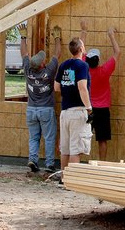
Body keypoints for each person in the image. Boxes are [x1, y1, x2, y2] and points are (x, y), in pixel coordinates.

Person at [19, 22, 61, 174]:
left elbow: (23, 53)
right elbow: (57, 55)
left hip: (31, 110)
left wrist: (23, 37)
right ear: (43, 64)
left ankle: (33, 161)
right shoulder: (48, 72)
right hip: (46, 110)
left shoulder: (28, 69)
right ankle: (49, 165)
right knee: (49, 137)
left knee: (34, 138)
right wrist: (57, 39)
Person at [53, 24, 93, 175]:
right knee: (76, 149)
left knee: (66, 149)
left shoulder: (64, 65)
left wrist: (67, 88)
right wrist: (89, 108)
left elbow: (56, 87)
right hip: (78, 111)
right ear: (81, 49)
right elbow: (82, 87)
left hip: (65, 112)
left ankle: (64, 178)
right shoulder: (82, 65)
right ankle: (72, 181)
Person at [82, 24, 120, 161]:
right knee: (102, 139)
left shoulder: (84, 70)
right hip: (102, 110)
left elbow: (80, 51)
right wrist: (111, 36)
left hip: (88, 109)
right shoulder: (104, 71)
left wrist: (84, 30)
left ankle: (77, 160)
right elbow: (117, 53)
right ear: (98, 60)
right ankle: (102, 164)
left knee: (83, 136)